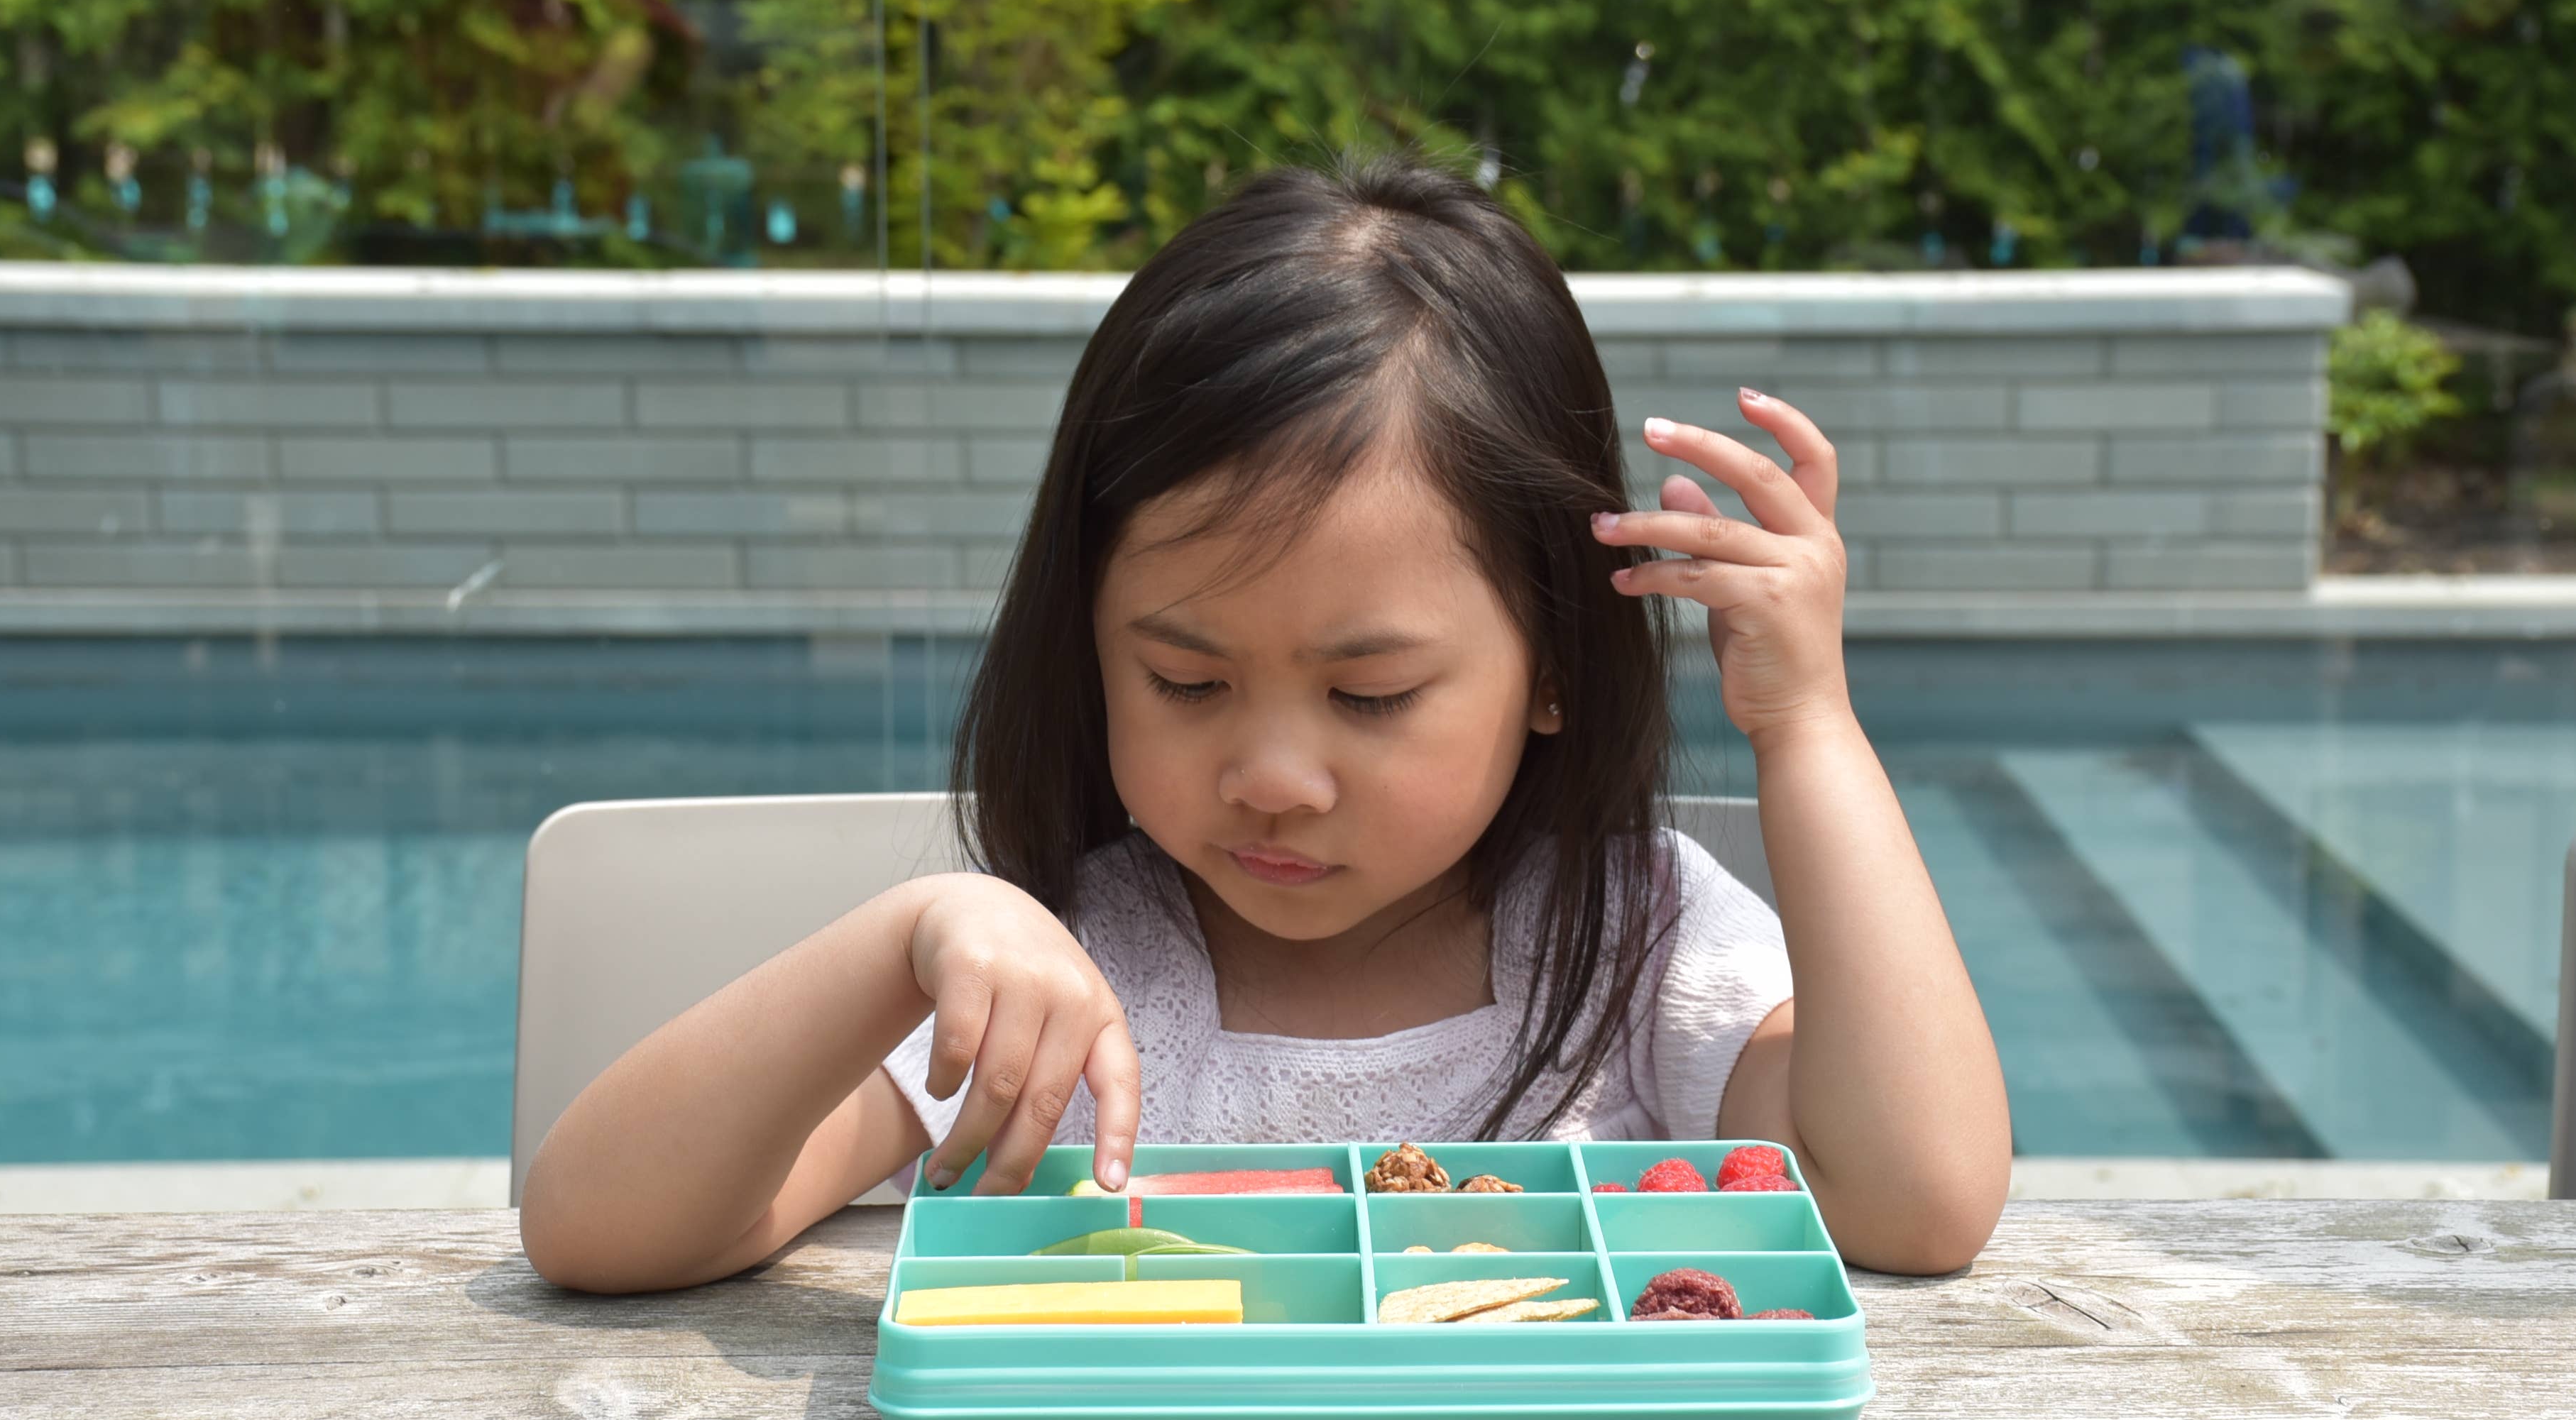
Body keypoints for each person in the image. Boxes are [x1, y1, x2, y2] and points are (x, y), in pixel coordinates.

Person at [520, 154, 2010, 1292]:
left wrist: (1808, 724)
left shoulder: (1630, 947)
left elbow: (1919, 1198)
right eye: (1185, 680)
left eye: (1370, 696)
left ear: (1556, 659)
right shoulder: (1065, 979)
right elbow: (593, 1228)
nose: (1274, 777)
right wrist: (909, 928)